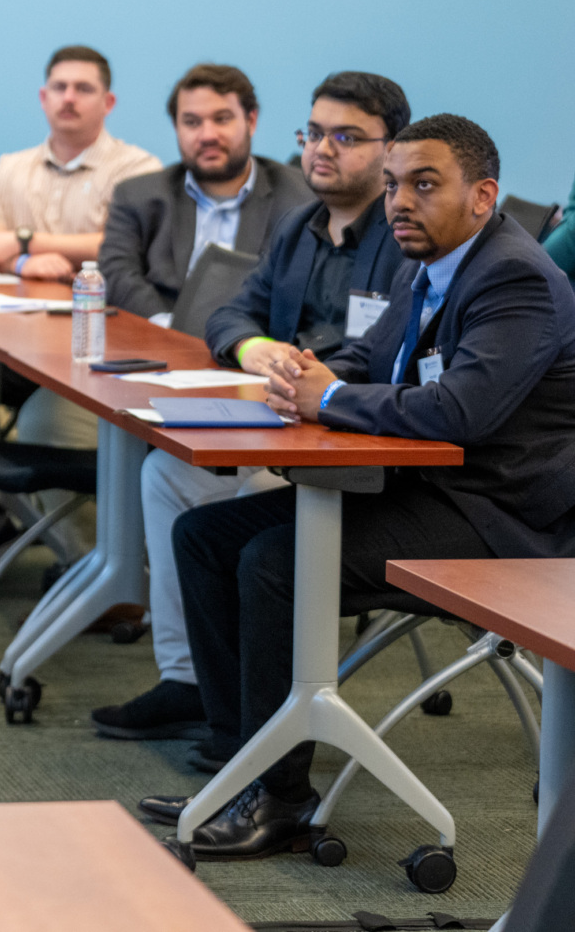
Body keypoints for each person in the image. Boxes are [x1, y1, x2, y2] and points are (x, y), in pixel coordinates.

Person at [145, 115, 575, 862]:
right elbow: (364, 357)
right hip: (425, 489)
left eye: (423, 184)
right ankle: (238, 765)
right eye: (392, 185)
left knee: (274, 562)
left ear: (483, 196)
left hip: (498, 516)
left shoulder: (516, 278)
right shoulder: (425, 265)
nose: (398, 202)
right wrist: (299, 373)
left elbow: (460, 410)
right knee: (205, 538)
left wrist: (329, 398)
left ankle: (280, 800)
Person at [90, 71, 408, 747]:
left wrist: (318, 378)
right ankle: (188, 681)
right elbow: (231, 310)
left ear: (393, 150)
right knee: (165, 475)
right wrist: (256, 345)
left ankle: (265, 715)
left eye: (346, 137)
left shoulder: (403, 236)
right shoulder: (301, 227)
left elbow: (389, 353)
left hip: (360, 443)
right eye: (315, 132)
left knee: (240, 518)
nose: (323, 148)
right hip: (287, 418)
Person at [0, 45, 162, 580]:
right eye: (59, 87)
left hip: (103, 343)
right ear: (43, 97)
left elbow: (124, 249)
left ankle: (94, 558)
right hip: (22, 336)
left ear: (108, 101)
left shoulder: (137, 170)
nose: (69, 98)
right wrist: (31, 258)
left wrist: (27, 237)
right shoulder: (13, 168)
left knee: (45, 418)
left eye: (83, 89)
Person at [98, 63, 313, 325]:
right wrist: (168, 327)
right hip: (164, 342)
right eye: (192, 122)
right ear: (176, 127)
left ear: (251, 121)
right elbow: (116, 271)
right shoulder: (138, 195)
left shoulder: (302, 197)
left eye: (222, 119)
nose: (208, 135)